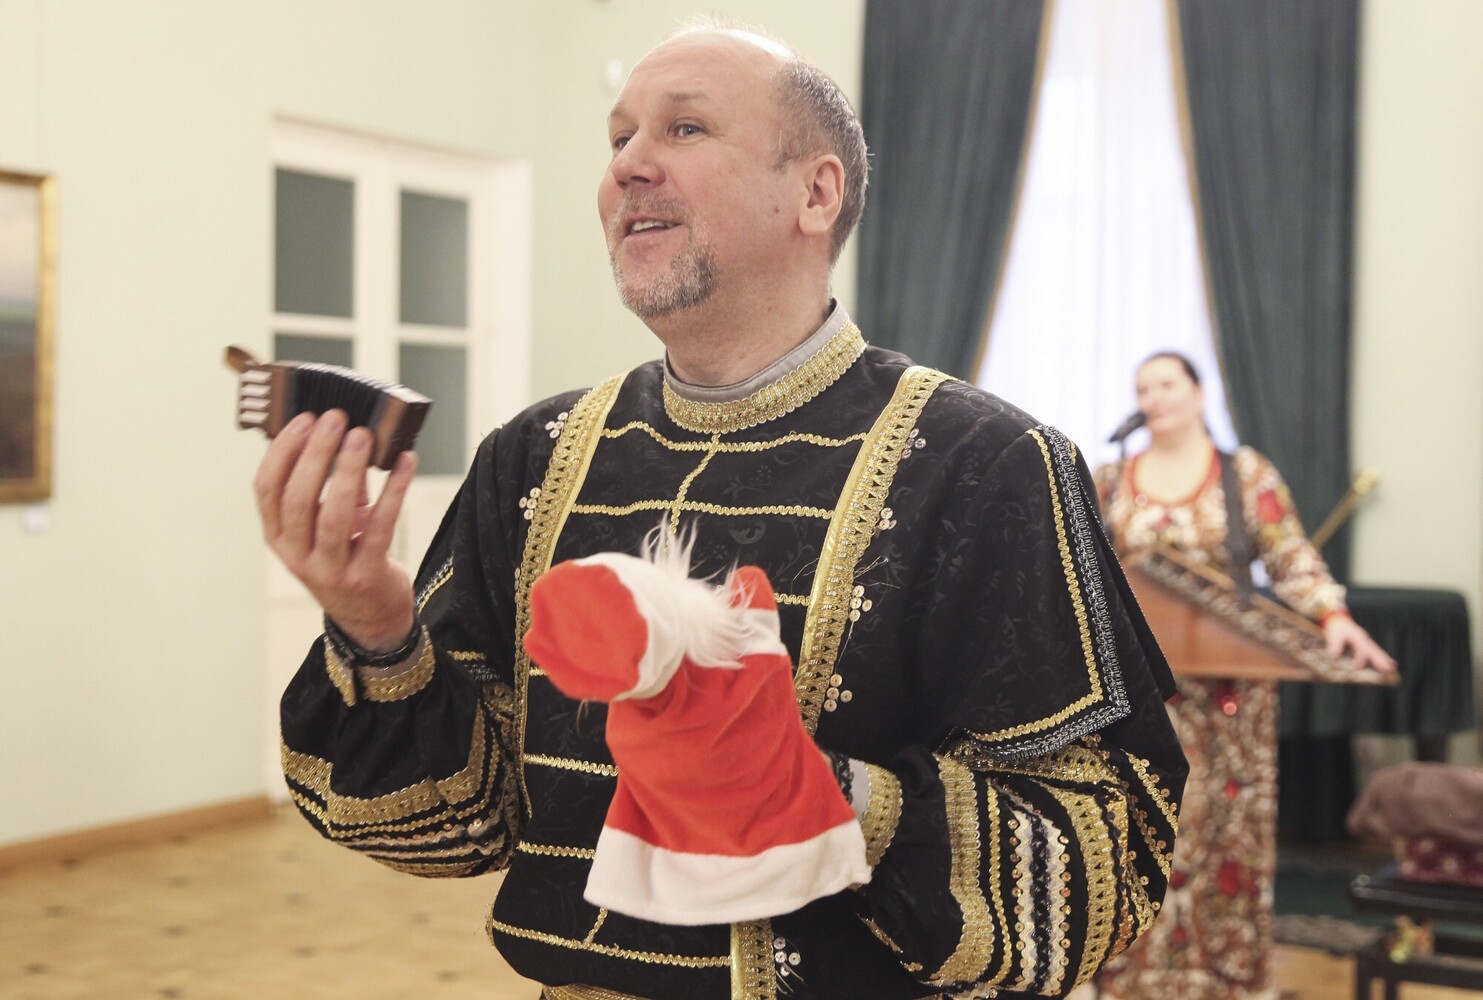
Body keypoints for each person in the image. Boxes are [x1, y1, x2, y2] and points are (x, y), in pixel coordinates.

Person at [256, 22, 1187, 1000]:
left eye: (685, 128)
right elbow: (457, 826)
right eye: (617, 138)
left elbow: (1106, 866)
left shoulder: (987, 465)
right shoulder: (531, 457)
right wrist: (378, 631)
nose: (628, 166)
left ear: (816, 194)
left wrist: (825, 797)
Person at [1092, 351, 1394, 1000]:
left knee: (1226, 835)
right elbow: (1083, 571)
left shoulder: (1245, 473)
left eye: (1166, 383)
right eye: (1143, 388)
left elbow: (1290, 557)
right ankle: (1132, 981)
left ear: (1198, 393)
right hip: (1142, 696)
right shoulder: (1111, 479)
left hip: (1231, 695)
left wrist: (1334, 617)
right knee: (1139, 829)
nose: (1153, 397)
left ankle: (1226, 980)